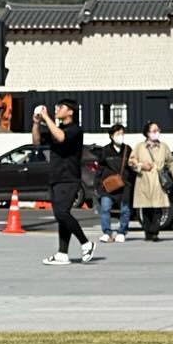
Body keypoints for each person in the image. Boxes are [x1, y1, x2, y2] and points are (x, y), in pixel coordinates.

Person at [35, 99, 94, 265]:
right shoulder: (57, 129)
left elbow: (61, 138)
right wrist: (36, 124)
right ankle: (62, 253)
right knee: (61, 216)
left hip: (69, 178)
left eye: (61, 107)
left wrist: (46, 118)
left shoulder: (75, 130)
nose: (58, 109)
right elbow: (36, 141)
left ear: (71, 112)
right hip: (56, 177)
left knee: (62, 213)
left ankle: (86, 243)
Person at [130, 121, 173, 241]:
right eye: (154, 131)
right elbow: (131, 161)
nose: (157, 133)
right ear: (147, 133)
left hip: (158, 181)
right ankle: (148, 232)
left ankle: (155, 232)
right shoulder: (140, 147)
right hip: (144, 180)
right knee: (146, 209)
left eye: (158, 130)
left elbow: (171, 161)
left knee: (158, 208)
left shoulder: (164, 147)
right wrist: (141, 165)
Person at [94, 123, 133, 243]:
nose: (120, 136)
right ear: (111, 136)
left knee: (125, 209)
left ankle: (122, 232)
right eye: (117, 134)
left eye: (122, 134)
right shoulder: (105, 151)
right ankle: (107, 232)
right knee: (105, 208)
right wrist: (97, 185)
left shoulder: (128, 149)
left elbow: (132, 166)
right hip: (108, 185)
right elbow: (99, 169)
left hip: (124, 185)